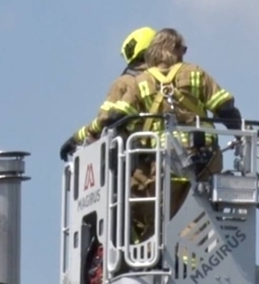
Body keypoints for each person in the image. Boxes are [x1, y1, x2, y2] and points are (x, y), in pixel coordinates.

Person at [122, 28, 243, 238]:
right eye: (183, 49)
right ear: (172, 49)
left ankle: (159, 246)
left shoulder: (141, 82)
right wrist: (242, 134)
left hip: (163, 160)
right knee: (199, 216)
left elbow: (120, 115)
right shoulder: (196, 73)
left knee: (165, 218)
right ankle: (189, 251)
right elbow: (224, 107)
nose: (184, 54)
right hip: (205, 159)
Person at [59, 27, 155, 161]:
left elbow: (105, 119)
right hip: (172, 156)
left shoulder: (124, 82)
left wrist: (76, 138)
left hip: (136, 160)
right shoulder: (169, 79)